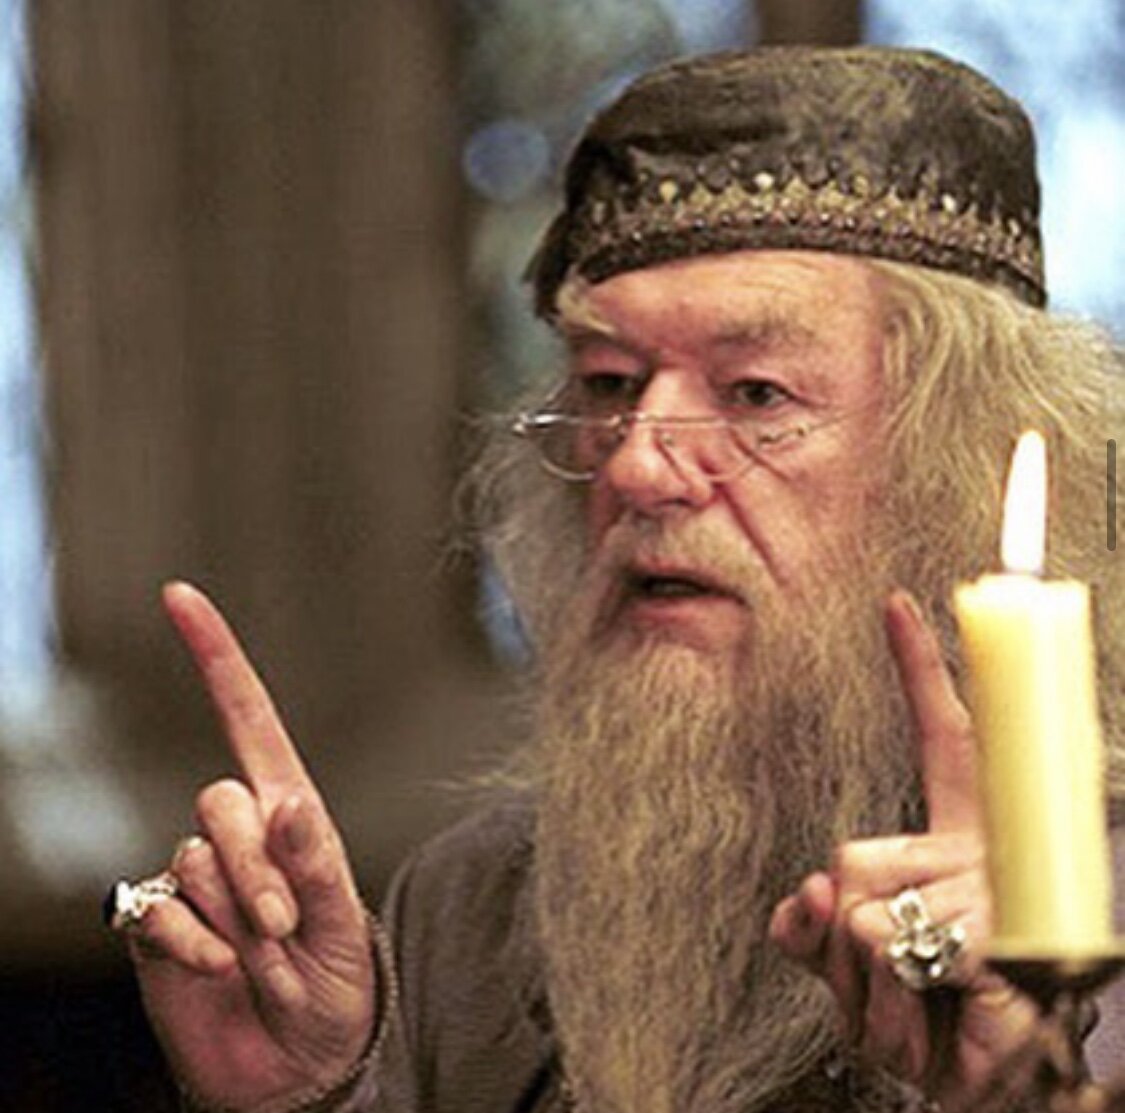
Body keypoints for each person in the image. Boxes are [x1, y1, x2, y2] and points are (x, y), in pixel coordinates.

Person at [107, 45, 1125, 1113]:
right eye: (608, 384)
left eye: (755, 394)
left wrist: (1016, 1084)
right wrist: (311, 1096)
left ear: (956, 457)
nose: (636, 465)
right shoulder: (470, 910)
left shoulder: (1095, 910)